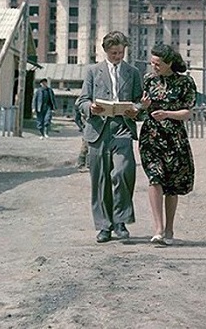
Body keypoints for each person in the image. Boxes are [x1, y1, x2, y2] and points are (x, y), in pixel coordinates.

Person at [76, 31, 143, 243]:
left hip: (122, 128)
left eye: (121, 52)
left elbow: (139, 101)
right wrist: (91, 108)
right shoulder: (93, 72)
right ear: (105, 51)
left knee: (123, 171)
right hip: (98, 130)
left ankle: (120, 221)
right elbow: (82, 101)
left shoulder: (132, 72)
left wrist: (136, 109)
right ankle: (104, 226)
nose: (118, 56)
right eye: (114, 53)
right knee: (101, 178)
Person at [138, 43, 196, 245]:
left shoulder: (185, 82)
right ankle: (158, 229)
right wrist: (144, 107)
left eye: (158, 63)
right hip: (151, 137)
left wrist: (168, 114)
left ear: (169, 63)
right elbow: (141, 111)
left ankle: (170, 228)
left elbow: (188, 112)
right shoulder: (148, 80)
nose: (154, 67)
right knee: (155, 178)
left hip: (174, 138)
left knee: (171, 185)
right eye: (152, 63)